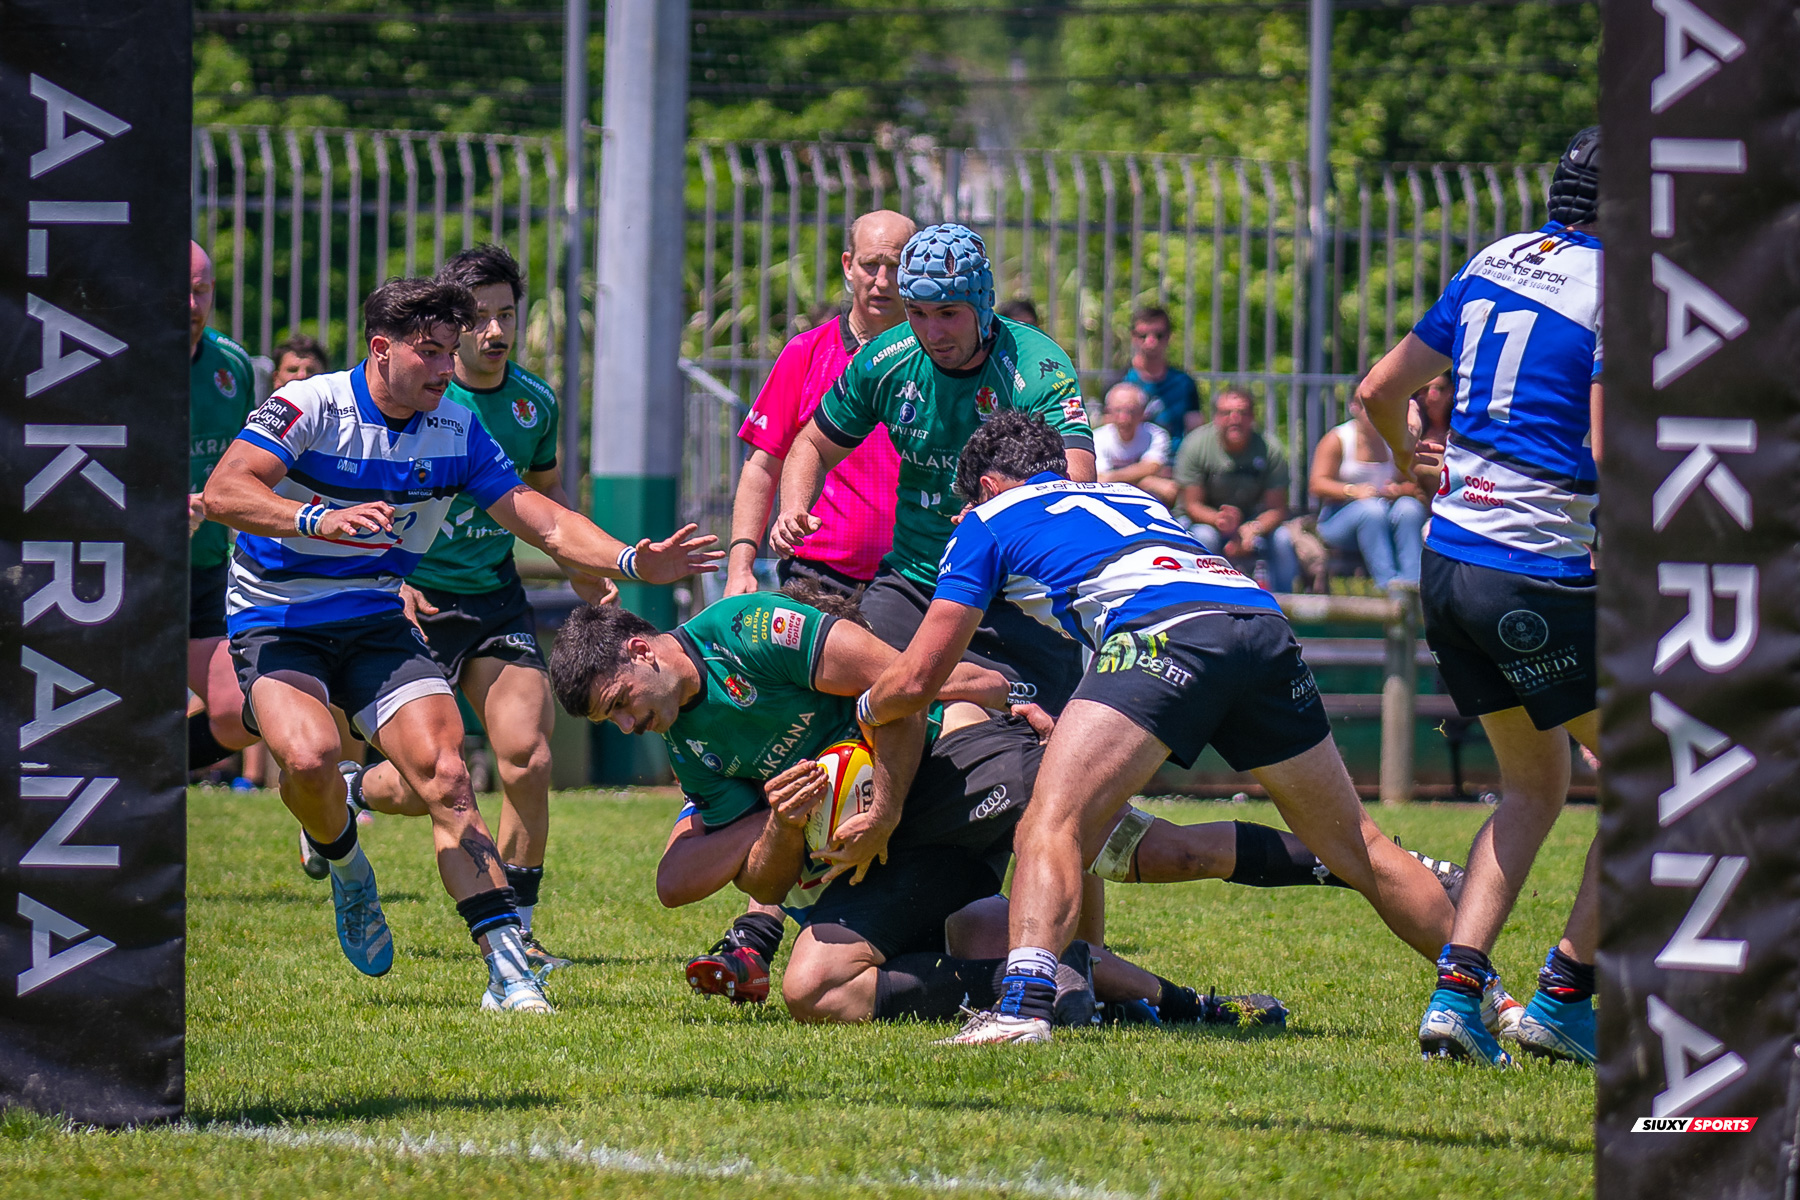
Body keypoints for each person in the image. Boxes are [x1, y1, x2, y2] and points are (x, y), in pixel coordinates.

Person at [202, 276, 718, 1013]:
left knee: (447, 777)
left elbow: (540, 517)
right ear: (381, 350)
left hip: (377, 617)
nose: (449, 371)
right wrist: (316, 519)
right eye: (433, 354)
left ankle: (509, 972)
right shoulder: (309, 406)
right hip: (279, 618)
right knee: (311, 758)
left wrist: (632, 560)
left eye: (453, 352)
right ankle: (349, 868)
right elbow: (226, 491)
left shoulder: (456, 427)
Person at [858, 413, 1459, 1045]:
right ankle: (1481, 995)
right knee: (1355, 843)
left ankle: (1022, 1009)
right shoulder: (1128, 494)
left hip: (1163, 631)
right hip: (1256, 617)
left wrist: (867, 708)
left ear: (984, 484)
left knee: (1049, 820)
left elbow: (922, 674)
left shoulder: (985, 521)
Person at [548, 592, 1389, 1026]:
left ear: (642, 646)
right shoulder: (689, 745)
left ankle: (1356, 866)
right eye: (612, 722)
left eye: (623, 701)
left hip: (939, 777)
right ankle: (1091, 993)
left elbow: (903, 694)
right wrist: (773, 820)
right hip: (891, 853)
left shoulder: (748, 632)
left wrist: (883, 798)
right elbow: (749, 877)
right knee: (815, 989)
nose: (628, 724)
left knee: (1144, 849)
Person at [1356, 127, 1604, 1067]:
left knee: (1537, 781)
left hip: (1449, 564)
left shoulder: (1497, 257)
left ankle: (1457, 998)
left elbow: (1379, 389)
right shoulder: (1624, 289)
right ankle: (1566, 997)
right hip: (1532, 570)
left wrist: (1412, 468)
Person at [318, 245, 584, 977]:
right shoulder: (420, 396)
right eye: (480, 318)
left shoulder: (535, 402)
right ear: (447, 327)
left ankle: (519, 929)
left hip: (492, 595)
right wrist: (388, 575)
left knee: (527, 754)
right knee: (422, 782)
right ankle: (346, 790)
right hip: (411, 601)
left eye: (507, 315)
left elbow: (548, 502)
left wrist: (591, 569)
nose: (495, 331)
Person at [700, 212, 915, 1003]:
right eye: (871, 265)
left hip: (915, 588)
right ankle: (758, 930)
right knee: (802, 753)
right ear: (847, 267)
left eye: (898, 266)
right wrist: (740, 565)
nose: (883, 281)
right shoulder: (810, 354)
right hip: (814, 586)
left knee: (893, 749)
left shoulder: (943, 357)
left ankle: (871, 916)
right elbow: (762, 466)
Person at [770, 223, 1096, 715]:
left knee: (1031, 747)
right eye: (918, 313)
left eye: (948, 313)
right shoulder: (886, 360)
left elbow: (1079, 479)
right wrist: (794, 506)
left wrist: (1002, 518)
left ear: (983, 304)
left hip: (1018, 596)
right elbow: (812, 444)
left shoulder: (1035, 366)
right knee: (841, 697)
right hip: (918, 583)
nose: (932, 332)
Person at [187, 242, 259, 774]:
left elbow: (247, 466)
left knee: (238, 713)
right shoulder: (120, 364)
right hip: (123, 565)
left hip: (204, 569)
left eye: (201, 290)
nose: (191, 304)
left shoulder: (231, 364)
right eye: (180, 292)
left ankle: (145, 766)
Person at [1175, 388, 1299, 592]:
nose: (1235, 419)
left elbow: (1277, 509)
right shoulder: (1195, 445)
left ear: (1252, 417)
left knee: (1283, 540)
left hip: (1253, 523)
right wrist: (1221, 521)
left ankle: (1284, 605)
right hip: (1205, 521)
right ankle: (1202, 600)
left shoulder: (1270, 449)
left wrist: (1253, 528)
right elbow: (1191, 505)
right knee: (1204, 537)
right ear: (1216, 417)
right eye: (1226, 413)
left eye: (1242, 413)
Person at [1307, 396, 1428, 590]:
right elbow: (1316, 484)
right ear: (1354, 406)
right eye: (1367, 406)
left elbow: (1412, 484)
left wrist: (1397, 490)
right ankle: (1388, 586)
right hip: (1339, 520)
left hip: (1386, 515)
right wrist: (1353, 491)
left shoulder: (1393, 438)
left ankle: (1412, 585)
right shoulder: (1338, 439)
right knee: (1371, 511)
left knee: (1410, 508)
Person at [1121, 306, 1202, 441]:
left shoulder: (1184, 383)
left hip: (1175, 459)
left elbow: (1196, 431)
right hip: (1131, 459)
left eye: (1158, 335)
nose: (1151, 342)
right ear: (1133, 337)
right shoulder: (1120, 381)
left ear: (1169, 336)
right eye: (1143, 336)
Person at [1093, 381, 1177, 506]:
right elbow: (1100, 480)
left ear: (1143, 412)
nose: (1124, 418)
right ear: (1108, 411)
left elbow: (1153, 466)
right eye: (1118, 411)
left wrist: (1112, 478)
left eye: (1131, 411)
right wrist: (1146, 480)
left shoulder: (1156, 435)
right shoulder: (1098, 437)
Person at [1408, 371, 1454, 498]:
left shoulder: (1460, 432)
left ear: (1450, 391)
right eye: (1425, 389)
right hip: (1418, 500)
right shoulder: (1413, 429)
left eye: (1439, 388)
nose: (1432, 396)